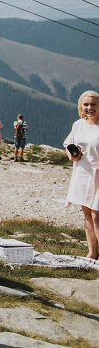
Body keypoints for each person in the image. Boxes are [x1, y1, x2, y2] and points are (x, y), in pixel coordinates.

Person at [63, 90, 99, 260]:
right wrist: (72, 155)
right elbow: (68, 143)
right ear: (81, 106)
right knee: (86, 212)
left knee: (96, 214)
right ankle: (92, 253)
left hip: (98, 171)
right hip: (83, 171)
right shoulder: (78, 124)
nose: (89, 108)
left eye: (93, 104)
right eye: (86, 104)